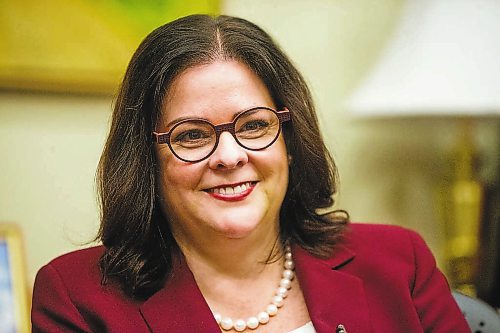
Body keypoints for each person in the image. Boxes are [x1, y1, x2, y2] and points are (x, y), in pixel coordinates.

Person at [31, 14, 470, 333]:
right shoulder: (76, 297)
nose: (229, 155)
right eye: (191, 135)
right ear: (146, 157)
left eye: (254, 125)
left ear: (289, 139)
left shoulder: (399, 262)